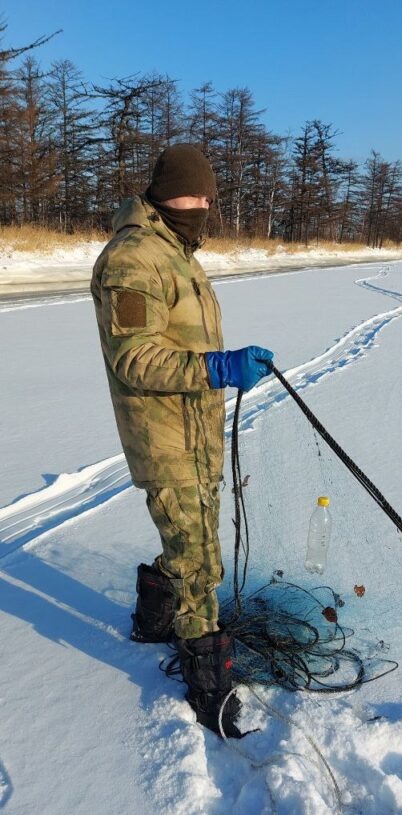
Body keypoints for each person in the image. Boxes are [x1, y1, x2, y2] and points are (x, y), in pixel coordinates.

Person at [91, 143, 273, 737]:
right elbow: (136, 359)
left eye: (207, 197)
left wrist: (222, 368)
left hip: (197, 431)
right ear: (163, 193)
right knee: (200, 562)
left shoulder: (179, 252)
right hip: (163, 436)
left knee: (195, 538)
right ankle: (207, 686)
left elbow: (183, 340)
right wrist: (217, 369)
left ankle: (153, 613)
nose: (201, 206)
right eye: (192, 195)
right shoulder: (133, 259)